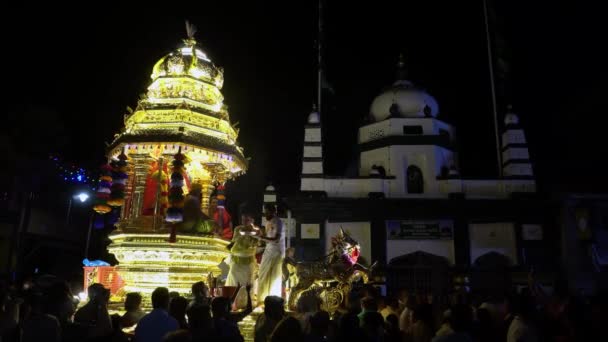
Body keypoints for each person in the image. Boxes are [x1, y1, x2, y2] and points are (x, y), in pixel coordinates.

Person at [226, 213, 260, 308]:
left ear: (252, 220)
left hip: (248, 260)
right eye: (243, 220)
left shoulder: (256, 231)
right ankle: (233, 303)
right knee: (234, 280)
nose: (244, 222)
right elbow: (234, 241)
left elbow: (258, 242)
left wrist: (253, 235)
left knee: (248, 282)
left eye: (247, 220)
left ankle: (246, 303)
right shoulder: (238, 229)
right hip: (236, 259)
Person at [256, 204, 285, 302]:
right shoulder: (268, 222)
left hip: (276, 252)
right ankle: (262, 300)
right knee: (263, 275)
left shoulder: (278, 222)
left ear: (273, 212)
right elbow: (266, 237)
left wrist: (261, 238)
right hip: (268, 251)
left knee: (274, 276)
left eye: (267, 212)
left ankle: (273, 300)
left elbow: (276, 239)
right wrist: (260, 234)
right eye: (265, 212)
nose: (265, 214)